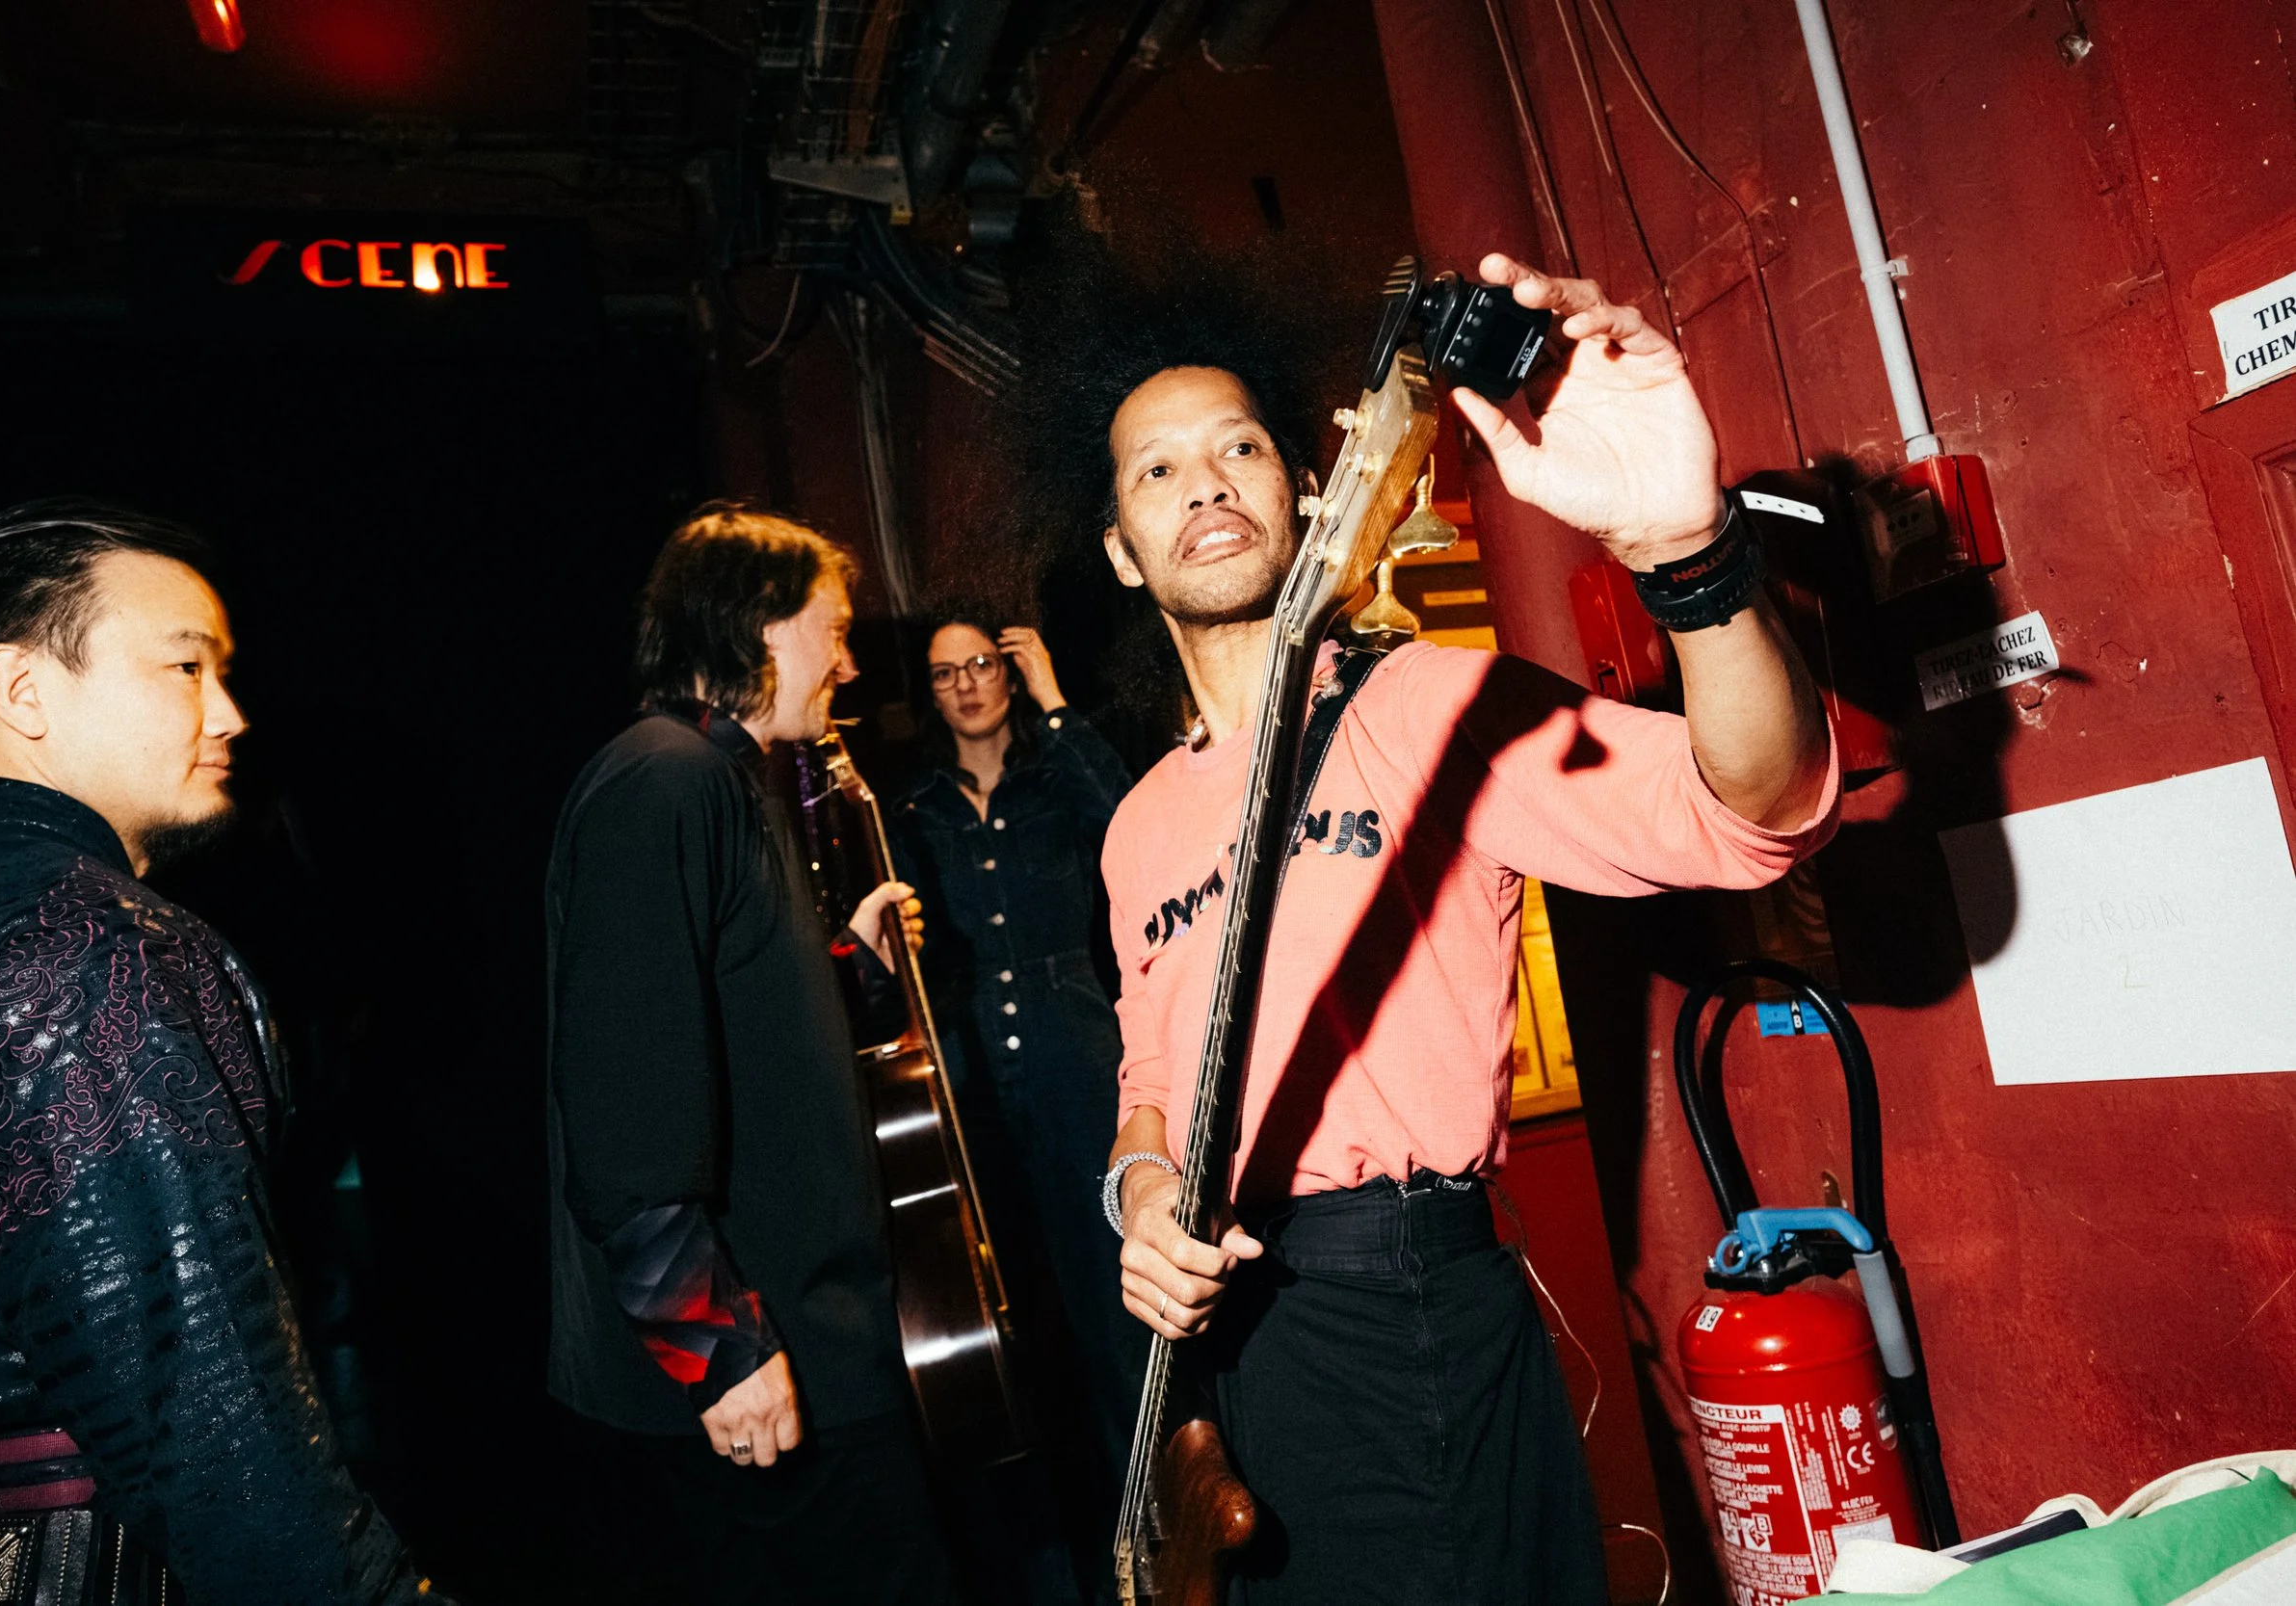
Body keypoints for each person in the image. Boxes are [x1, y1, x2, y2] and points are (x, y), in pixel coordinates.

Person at [1066, 253, 1840, 1600]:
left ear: (1307, 492)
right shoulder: (1135, 826)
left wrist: (1684, 552)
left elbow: (1751, 806)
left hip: (1403, 1305)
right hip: (1228, 1345)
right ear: (1125, 554)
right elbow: (1149, 1085)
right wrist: (1136, 1196)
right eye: (1158, 468)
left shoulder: (1423, 706)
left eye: (1238, 443)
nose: (1204, 480)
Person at [0, 500, 433, 1603]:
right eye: (185, 667)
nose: (229, 712)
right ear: (22, 690)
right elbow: (206, 1417)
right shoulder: (86, 949)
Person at [543, 505, 952, 1605]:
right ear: (762, 627)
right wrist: (712, 1345)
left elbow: (738, 1020)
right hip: (758, 1362)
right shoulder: (661, 780)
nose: (851, 661)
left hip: (814, 1345)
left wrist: (850, 967)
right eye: (837, 628)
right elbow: (624, 1104)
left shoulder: (724, 779)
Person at [886, 602, 1143, 1471]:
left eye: (983, 664)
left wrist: (1057, 700)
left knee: (1108, 1289)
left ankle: (1152, 1495)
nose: (966, 686)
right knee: (1011, 1299)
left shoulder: (1055, 773)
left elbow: (1129, 827)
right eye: (946, 673)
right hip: (971, 1068)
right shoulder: (912, 805)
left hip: (1075, 1048)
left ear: (1011, 669)